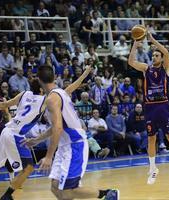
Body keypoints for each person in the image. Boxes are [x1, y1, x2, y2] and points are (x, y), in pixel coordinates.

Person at [25, 65, 119, 200]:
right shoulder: (60, 92)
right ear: (54, 77)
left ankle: (108, 195)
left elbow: (58, 128)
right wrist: (37, 140)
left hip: (74, 144)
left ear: (39, 80)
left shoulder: (52, 99)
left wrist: (48, 156)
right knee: (55, 187)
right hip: (64, 146)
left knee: (68, 191)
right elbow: (75, 86)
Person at [128, 32, 169, 185]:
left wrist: (153, 40)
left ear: (161, 58)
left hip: (164, 106)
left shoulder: (165, 69)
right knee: (151, 138)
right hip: (150, 107)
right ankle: (153, 169)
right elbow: (131, 61)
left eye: (156, 56)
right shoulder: (146, 69)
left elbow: (166, 52)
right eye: (153, 55)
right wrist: (135, 43)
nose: (154, 57)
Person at [0, 79, 45, 200]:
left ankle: (7, 195)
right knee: (29, 168)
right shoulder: (45, 100)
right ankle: (7, 196)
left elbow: (5, 105)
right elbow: (68, 90)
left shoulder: (24, 93)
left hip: (6, 130)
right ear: (42, 89)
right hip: (15, 136)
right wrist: (84, 75)